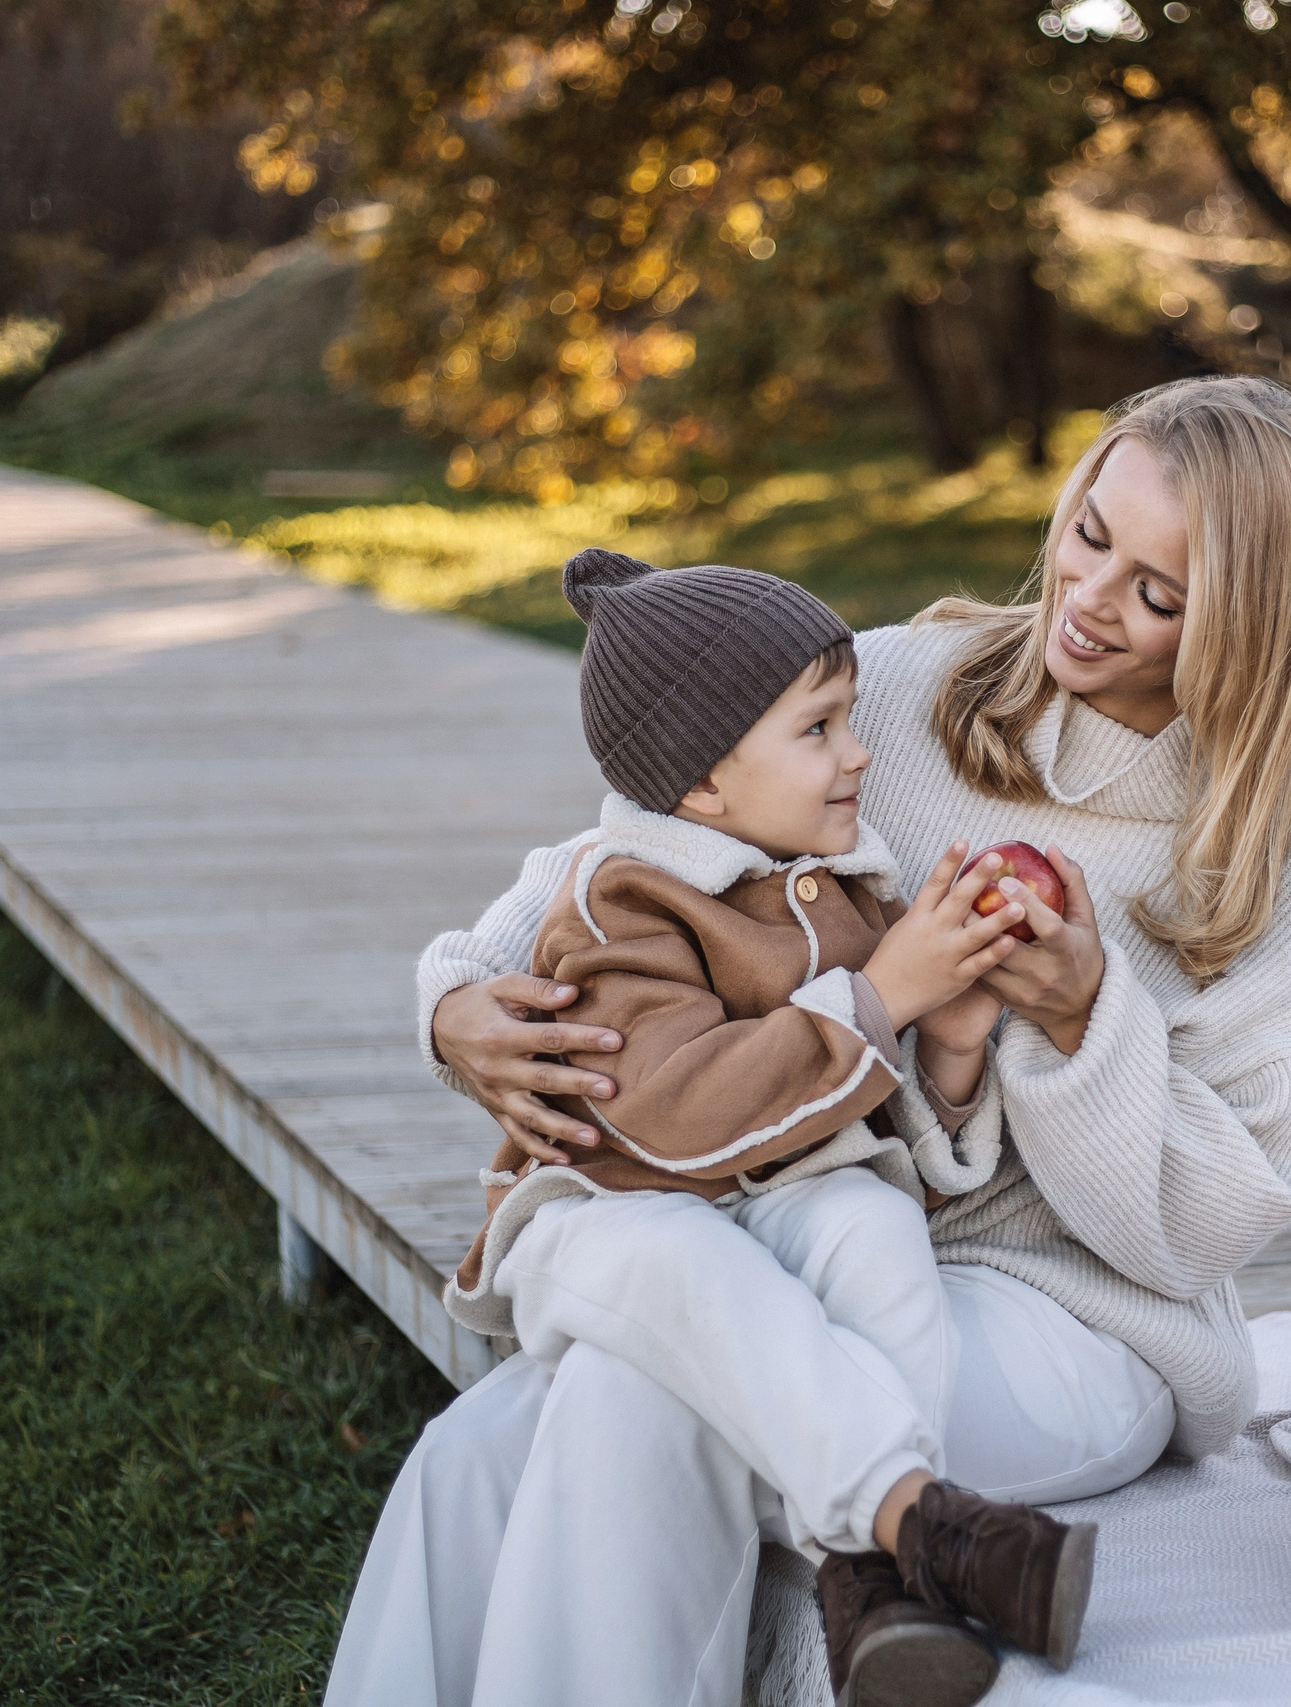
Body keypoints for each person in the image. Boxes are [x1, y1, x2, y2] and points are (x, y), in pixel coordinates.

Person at [328, 375, 1291, 1707]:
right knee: (475, 1452)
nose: (1091, 597)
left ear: (1253, 626)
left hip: (1074, 1314)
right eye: (1090, 532)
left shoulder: (1280, 861)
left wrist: (1077, 1020)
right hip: (789, 1229)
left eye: (1159, 593)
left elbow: (1208, 1225)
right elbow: (643, 837)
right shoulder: (893, 685)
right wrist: (458, 996)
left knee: (643, 1409)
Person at [437, 547, 1093, 1703]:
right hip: (606, 1216)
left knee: (872, 1227)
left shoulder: (835, 885)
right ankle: (910, 1526)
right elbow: (682, 1113)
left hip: (769, 1201)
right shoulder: (622, 897)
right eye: (819, 728)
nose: (859, 753)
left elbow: (864, 1121)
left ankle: (871, 1593)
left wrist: (947, 1043)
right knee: (691, 1261)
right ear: (701, 784)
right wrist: (877, 997)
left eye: (851, 719)